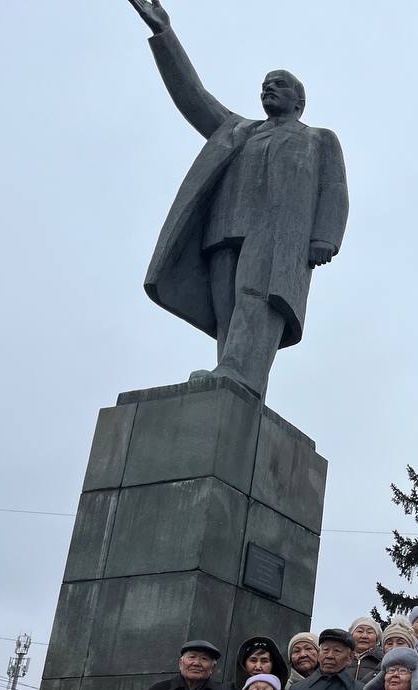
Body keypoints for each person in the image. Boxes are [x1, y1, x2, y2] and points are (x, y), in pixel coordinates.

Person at [125, 0, 349, 399]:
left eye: (278, 84)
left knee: (256, 296)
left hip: (276, 235)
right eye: (264, 84)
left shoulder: (318, 139)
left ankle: (240, 372)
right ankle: (232, 372)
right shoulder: (237, 129)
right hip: (224, 229)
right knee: (227, 308)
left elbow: (334, 190)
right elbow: (193, 96)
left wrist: (324, 237)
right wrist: (164, 34)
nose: (268, 88)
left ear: (299, 101)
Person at [349, 617, 383, 685]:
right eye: (360, 631)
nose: (364, 636)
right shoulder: (341, 658)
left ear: (377, 639)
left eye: (370, 632)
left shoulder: (383, 660)